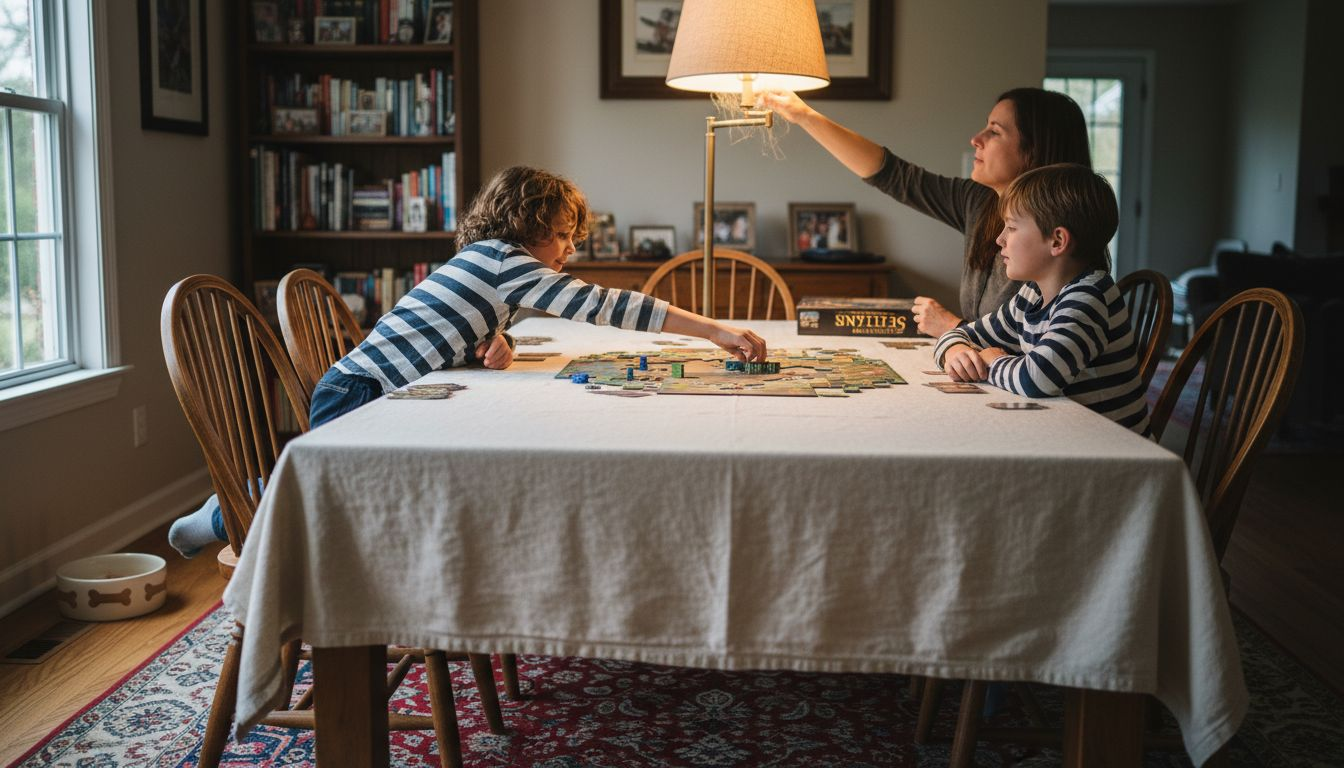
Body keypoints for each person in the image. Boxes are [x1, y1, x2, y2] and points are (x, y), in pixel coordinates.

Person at [168, 165, 768, 557]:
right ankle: (231, 509)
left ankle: (252, 497)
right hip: (361, 393)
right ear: (525, 226)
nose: (566, 249)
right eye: (559, 235)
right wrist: (712, 331)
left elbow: (462, 323)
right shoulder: (505, 261)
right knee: (330, 496)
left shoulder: (495, 261)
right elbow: (601, 305)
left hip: (366, 385)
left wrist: (493, 342)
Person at [763, 87, 1091, 337]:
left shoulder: (1055, 246)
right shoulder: (979, 201)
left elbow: (1033, 353)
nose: (976, 138)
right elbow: (893, 174)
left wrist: (951, 326)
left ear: (1034, 152)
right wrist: (802, 114)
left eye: (995, 131)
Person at [933, 163, 1149, 435]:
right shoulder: (1032, 294)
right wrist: (956, 352)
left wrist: (990, 361)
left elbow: (1038, 378)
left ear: (1057, 241)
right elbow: (963, 334)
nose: (999, 239)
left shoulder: (1089, 298)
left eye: (1011, 228)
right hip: (1064, 434)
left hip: (1114, 452)